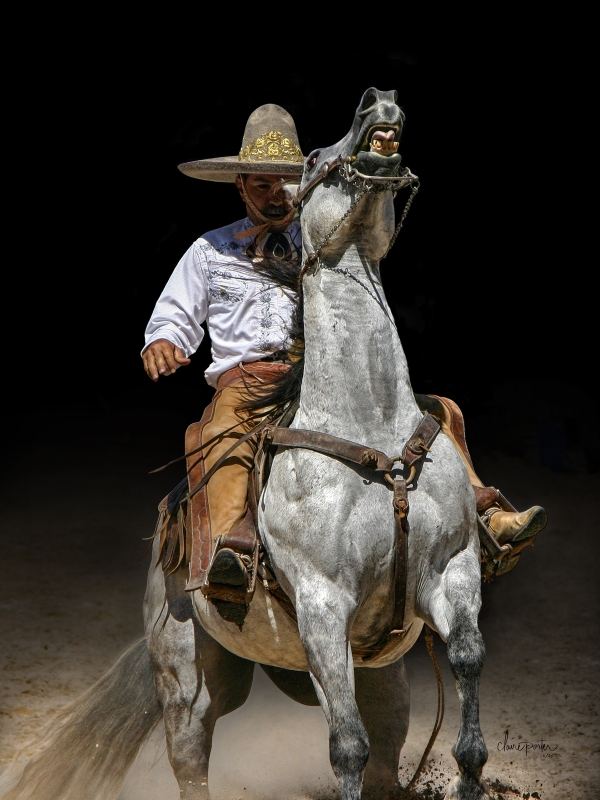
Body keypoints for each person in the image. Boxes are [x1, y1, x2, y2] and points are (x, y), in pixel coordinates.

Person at [142, 103, 546, 598]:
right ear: (239, 185)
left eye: (285, 183)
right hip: (247, 382)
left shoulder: (328, 239)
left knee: (437, 413)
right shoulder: (210, 250)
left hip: (328, 375)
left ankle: (484, 515)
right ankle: (232, 545)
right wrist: (164, 341)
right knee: (223, 429)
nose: (276, 196)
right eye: (262, 185)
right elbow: (174, 316)